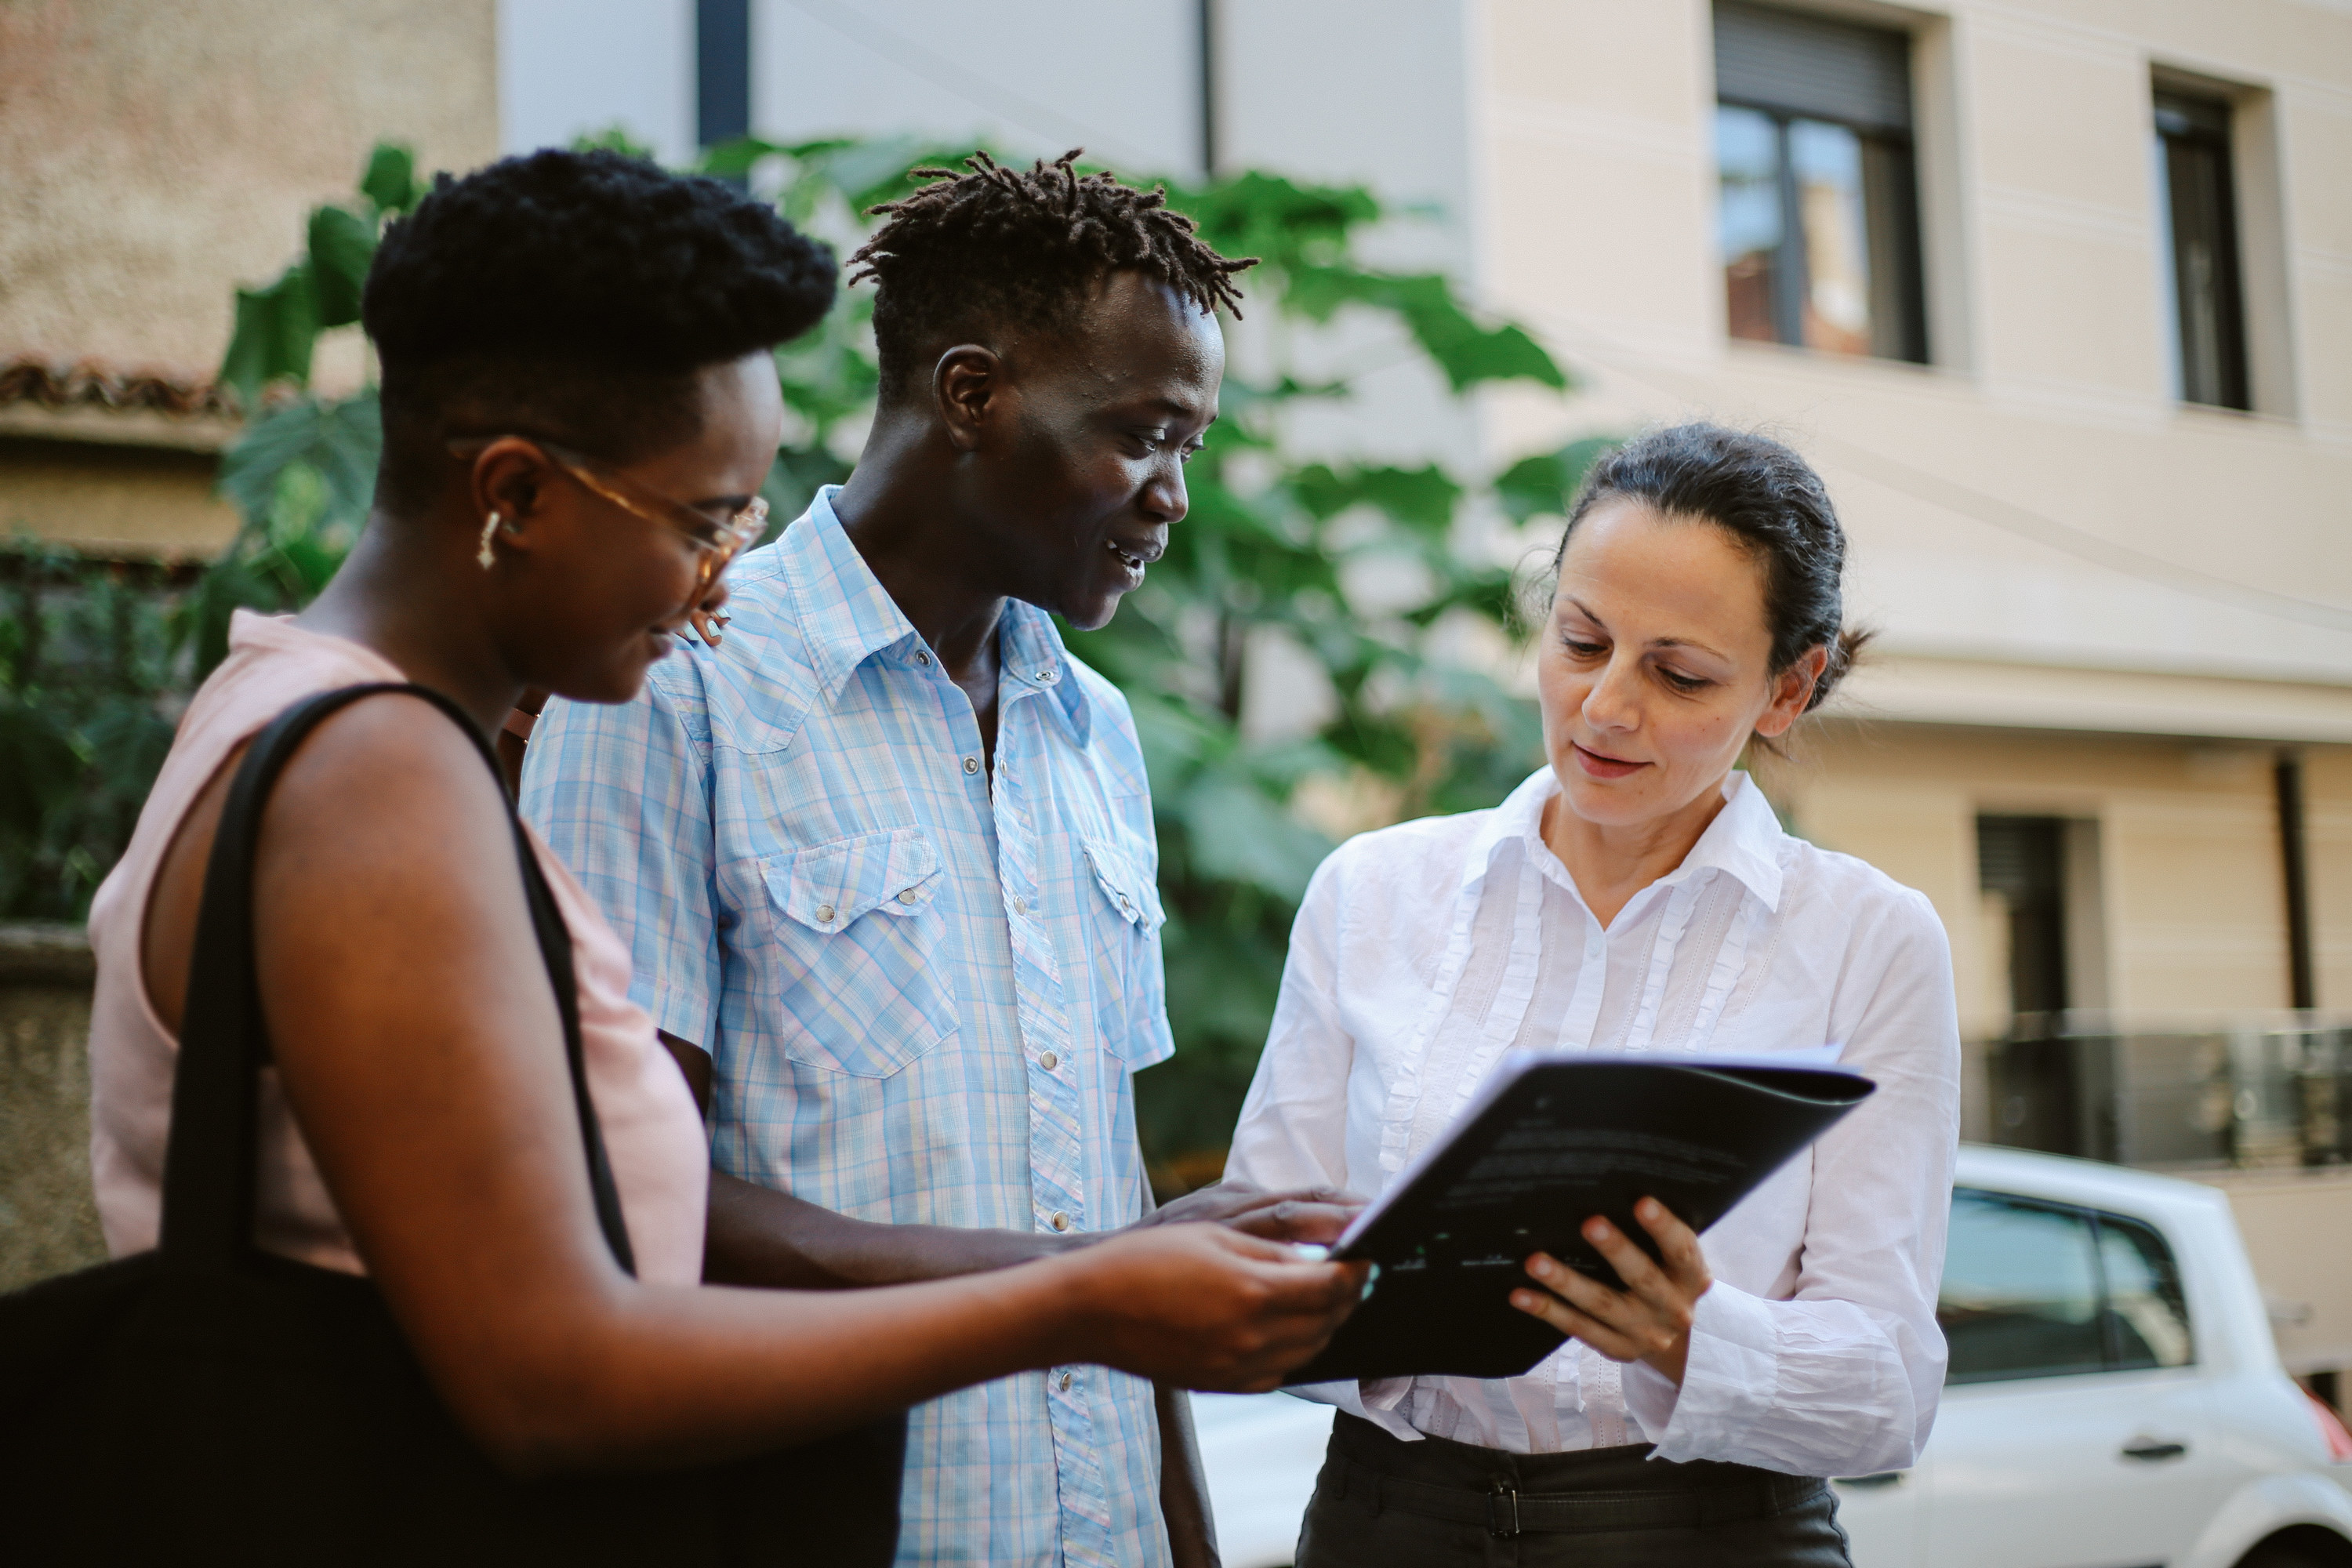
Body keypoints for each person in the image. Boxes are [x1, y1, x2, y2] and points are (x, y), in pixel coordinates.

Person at [82, 149, 1364, 1552]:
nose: (718, 586)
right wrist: (1085, 1292)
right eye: (703, 523)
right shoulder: (373, 776)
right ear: (514, 493)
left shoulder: (338, 732)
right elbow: (555, 1376)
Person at [516, 151, 1344, 1568]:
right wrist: (1091, 1283)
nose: (1171, 498)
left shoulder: (1098, 732)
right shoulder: (681, 686)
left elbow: (1109, 1189)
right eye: (1143, 433)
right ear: (973, 396)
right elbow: (626, 1203)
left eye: (1190, 450)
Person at [1225, 423, 1963, 1566]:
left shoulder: (1870, 940)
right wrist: (1340, 1297)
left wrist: (1692, 1338)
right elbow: (1250, 1262)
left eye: (1679, 674)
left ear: (1790, 687)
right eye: (1580, 642)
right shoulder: (1373, 891)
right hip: (1389, 1523)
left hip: (1709, 1533)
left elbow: (1889, 1396)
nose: (1606, 708)